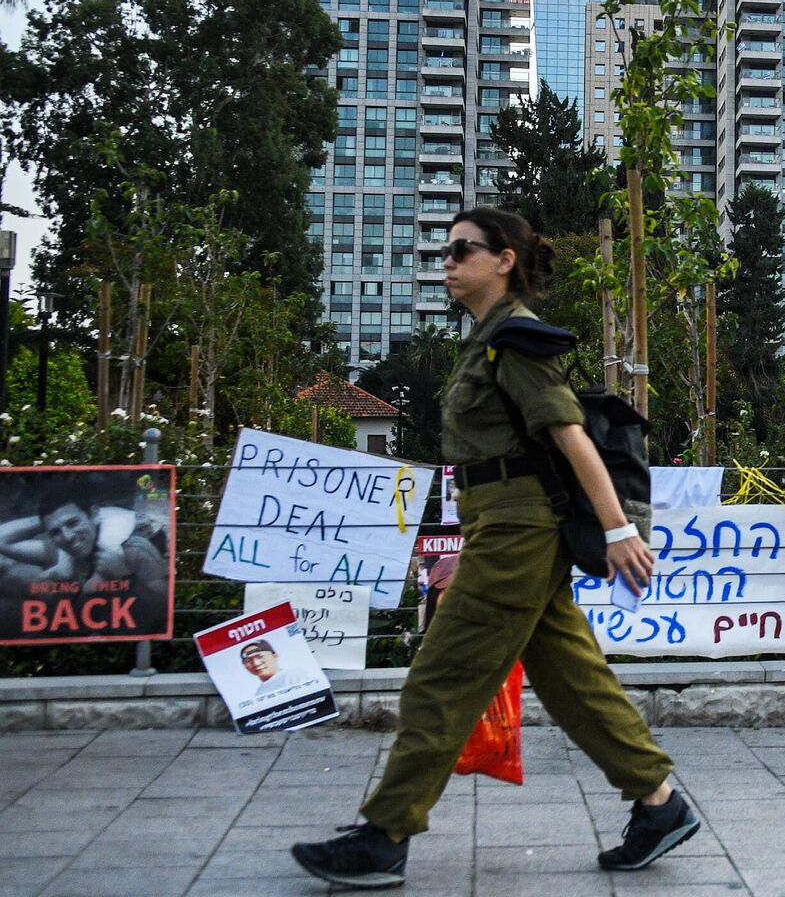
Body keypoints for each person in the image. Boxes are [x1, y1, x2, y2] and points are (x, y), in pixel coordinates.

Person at [292, 207, 699, 889]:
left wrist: (622, 530)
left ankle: (385, 835)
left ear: (503, 260)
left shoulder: (515, 341)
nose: (448, 261)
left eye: (462, 250)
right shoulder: (485, 340)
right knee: (571, 678)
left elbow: (572, 436)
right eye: (446, 250)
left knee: (441, 678)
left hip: (518, 533)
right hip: (502, 526)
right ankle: (658, 804)